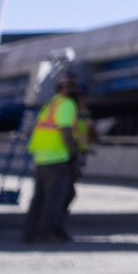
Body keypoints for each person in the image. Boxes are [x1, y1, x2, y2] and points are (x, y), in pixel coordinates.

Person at [20, 70, 83, 245]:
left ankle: (30, 232)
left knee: (40, 198)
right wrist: (72, 154)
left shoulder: (51, 104)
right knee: (55, 198)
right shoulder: (67, 104)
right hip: (57, 157)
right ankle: (47, 233)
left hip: (42, 157)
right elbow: (65, 131)